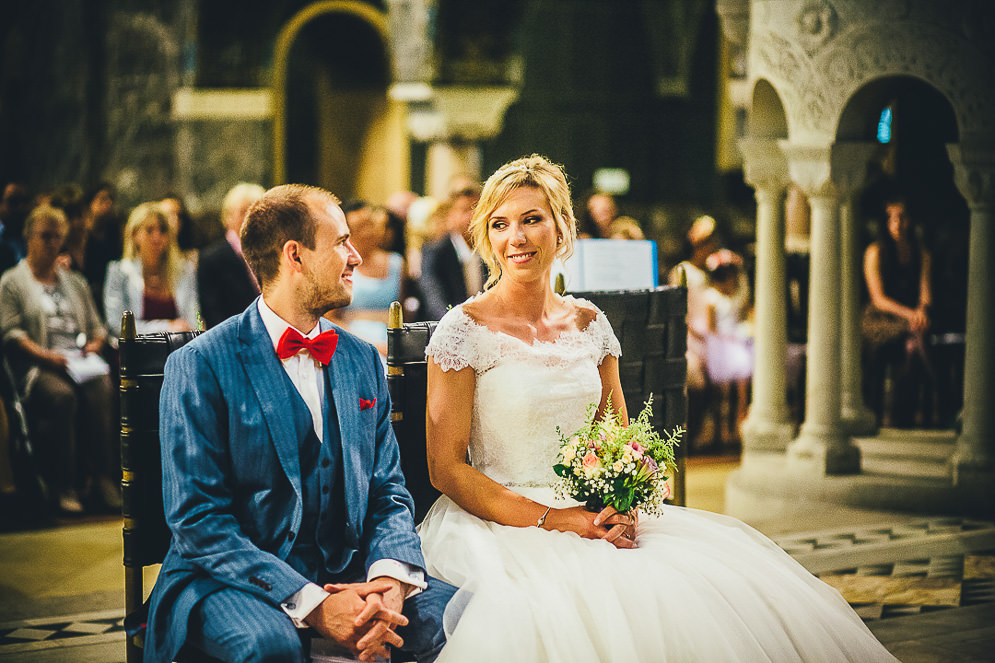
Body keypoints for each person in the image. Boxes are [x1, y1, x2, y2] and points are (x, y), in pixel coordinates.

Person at [417, 154, 897, 662]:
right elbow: (445, 467)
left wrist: (620, 505)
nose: (516, 237)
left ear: (561, 228)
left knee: (713, 597)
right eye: (500, 223)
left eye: (532, 219)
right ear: (486, 238)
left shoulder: (589, 322)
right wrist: (555, 520)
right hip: (503, 525)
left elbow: (618, 440)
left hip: (596, 514)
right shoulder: (463, 330)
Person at [143, 184, 455, 663]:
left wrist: (388, 580)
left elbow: (388, 492)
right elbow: (198, 521)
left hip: (348, 567)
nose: (355, 256)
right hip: (229, 577)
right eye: (340, 242)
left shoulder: (360, 360)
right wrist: (314, 604)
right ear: (295, 255)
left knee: (458, 615)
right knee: (270, 646)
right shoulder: (200, 365)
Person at [0, 205, 117, 514]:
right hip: (39, 365)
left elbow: (98, 327)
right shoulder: (12, 282)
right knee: (62, 397)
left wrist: (95, 345)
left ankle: (104, 478)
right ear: (28, 237)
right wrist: (46, 356)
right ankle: (63, 484)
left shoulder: (74, 282)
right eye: (45, 236)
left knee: (104, 389)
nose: (51, 243)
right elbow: (11, 332)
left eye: (57, 237)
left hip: (78, 361)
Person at [862, 195, 932, 427]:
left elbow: (925, 291)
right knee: (912, 338)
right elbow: (879, 299)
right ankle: (880, 411)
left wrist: (921, 310)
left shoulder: (920, 252)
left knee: (914, 341)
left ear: (910, 220)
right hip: (879, 319)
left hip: (910, 320)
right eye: (891, 218)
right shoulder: (875, 252)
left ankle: (905, 415)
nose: (897, 223)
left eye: (902, 217)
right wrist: (912, 315)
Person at [104, 202, 199, 337]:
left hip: (176, 348)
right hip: (136, 350)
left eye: (162, 230)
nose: (157, 237)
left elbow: (194, 315)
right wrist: (167, 327)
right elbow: (116, 324)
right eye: (149, 230)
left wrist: (197, 328)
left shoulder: (184, 270)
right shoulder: (119, 271)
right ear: (134, 235)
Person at [330, 201, 405, 356]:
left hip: (391, 343)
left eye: (371, 224)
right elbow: (330, 320)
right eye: (360, 227)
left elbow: (403, 314)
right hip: (352, 343)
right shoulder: (340, 266)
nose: (369, 232)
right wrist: (372, 346)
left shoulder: (396, 263)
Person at [196, 182, 265, 329]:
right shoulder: (211, 259)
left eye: (256, 211)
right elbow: (212, 314)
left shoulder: (272, 253)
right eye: (243, 212)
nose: (249, 218)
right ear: (227, 217)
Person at [703, 248, 753, 445]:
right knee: (723, 390)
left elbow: (746, 311)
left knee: (742, 381)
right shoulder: (712, 297)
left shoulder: (738, 296)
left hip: (737, 342)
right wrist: (726, 338)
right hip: (721, 346)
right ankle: (722, 428)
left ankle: (739, 421)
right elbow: (711, 327)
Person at [418, 186, 486, 321]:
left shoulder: (491, 251)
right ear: (451, 216)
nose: (473, 216)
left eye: (478, 209)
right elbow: (434, 299)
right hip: (446, 326)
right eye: (465, 210)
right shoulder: (435, 251)